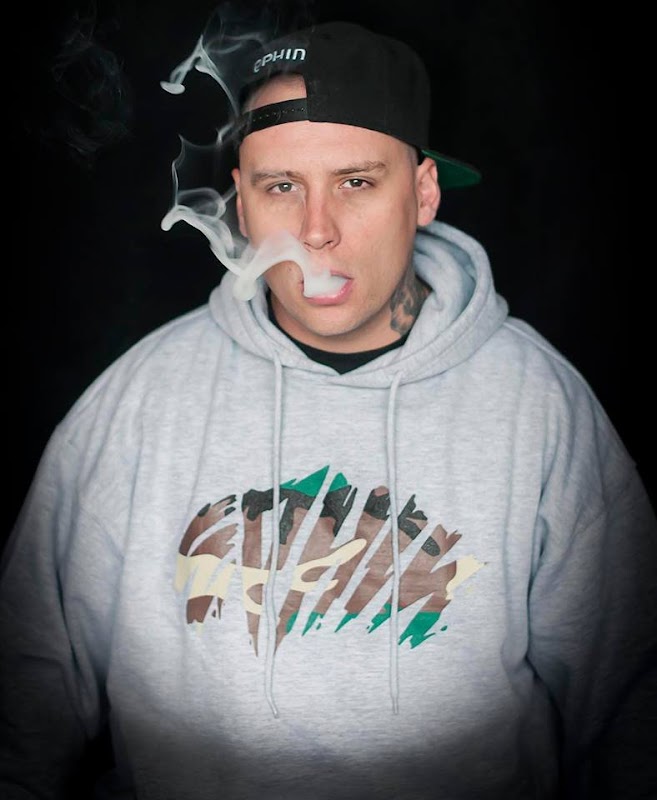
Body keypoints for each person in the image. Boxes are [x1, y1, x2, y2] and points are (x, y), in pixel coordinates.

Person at [1, 17, 656, 800]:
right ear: (241, 203)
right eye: (281, 186)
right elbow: (24, 693)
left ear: (422, 193)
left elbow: (630, 708)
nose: (316, 231)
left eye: (356, 182)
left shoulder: (536, 404)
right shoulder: (141, 399)